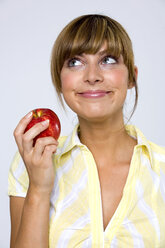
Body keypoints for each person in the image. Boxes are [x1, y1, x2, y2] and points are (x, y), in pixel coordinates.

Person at [8, 14, 165, 248]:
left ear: (132, 77)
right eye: (75, 62)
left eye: (108, 60)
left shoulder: (161, 169)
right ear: (60, 81)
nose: (92, 76)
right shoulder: (31, 162)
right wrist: (39, 189)